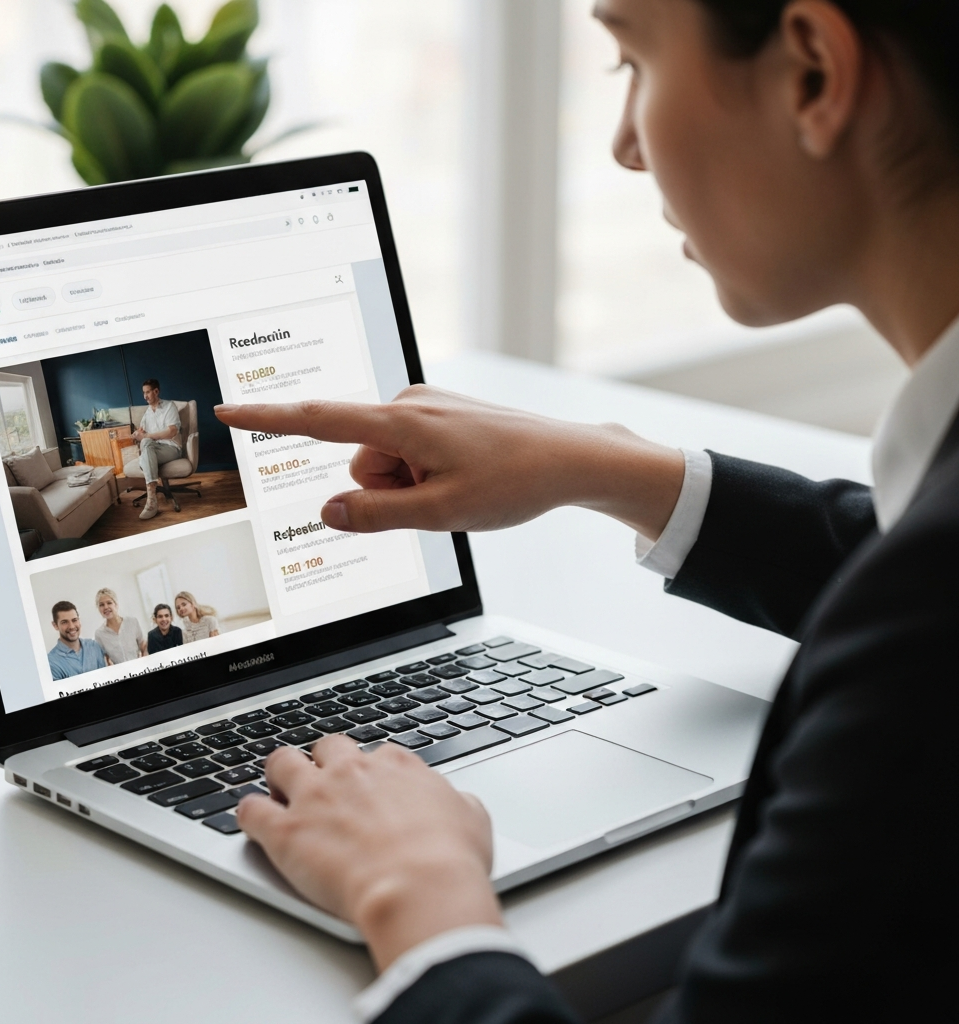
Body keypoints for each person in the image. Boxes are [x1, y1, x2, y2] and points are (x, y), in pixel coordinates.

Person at [214, 0, 957, 1021]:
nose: (620, 146)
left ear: (813, 75)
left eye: (630, 60)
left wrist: (420, 900)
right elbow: (905, 562)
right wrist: (606, 466)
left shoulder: (919, 637)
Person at [132, 378, 182, 521]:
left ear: (156, 391)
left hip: (171, 448)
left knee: (147, 446)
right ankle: (152, 499)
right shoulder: (147, 413)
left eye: (148, 392)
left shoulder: (169, 406)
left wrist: (147, 436)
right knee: (147, 444)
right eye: (143, 393)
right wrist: (138, 434)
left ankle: (151, 502)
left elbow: (171, 432)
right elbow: (142, 434)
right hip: (153, 449)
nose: (145, 396)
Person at [46, 601, 108, 680]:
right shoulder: (51, 662)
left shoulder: (94, 646)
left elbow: (105, 679)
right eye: (64, 622)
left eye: (74, 620)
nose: (71, 626)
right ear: (55, 625)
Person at [92, 587, 146, 664]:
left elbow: (143, 645)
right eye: (101, 605)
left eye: (109, 603)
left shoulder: (132, 622)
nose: (106, 607)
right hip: (120, 674)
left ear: (116, 604)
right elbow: (105, 658)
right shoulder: (99, 634)